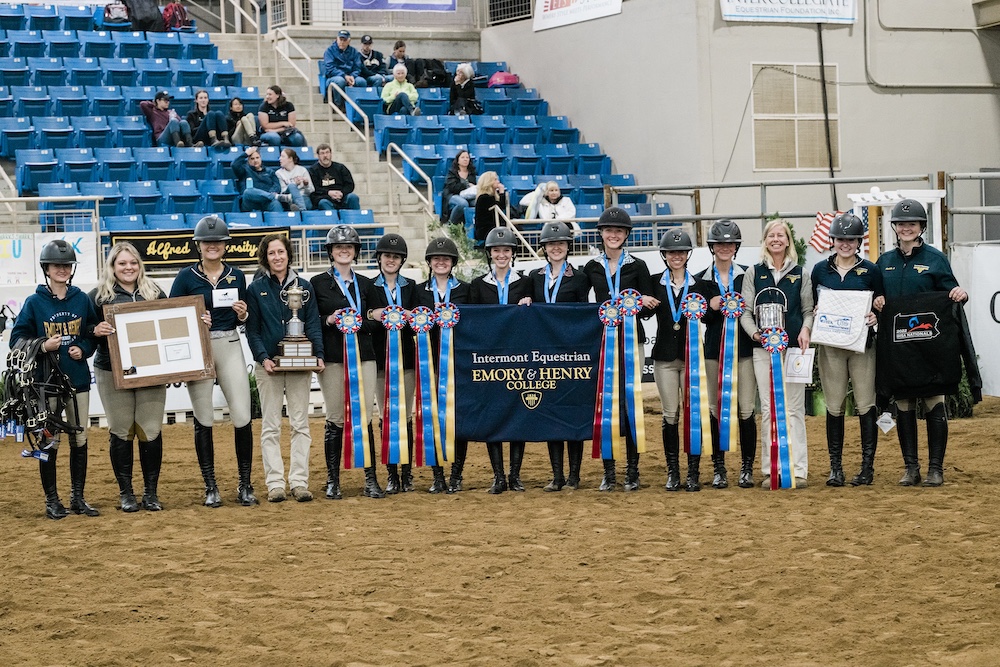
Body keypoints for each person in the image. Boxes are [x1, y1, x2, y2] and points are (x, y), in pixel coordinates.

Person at [873, 199, 969, 487]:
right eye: (901, 224)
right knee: (903, 403)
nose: (906, 228)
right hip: (899, 348)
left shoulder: (936, 258)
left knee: (933, 401)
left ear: (921, 227)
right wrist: (876, 301)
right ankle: (911, 468)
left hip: (930, 348)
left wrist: (959, 294)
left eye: (911, 223)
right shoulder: (884, 262)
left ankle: (936, 468)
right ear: (895, 228)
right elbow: (875, 298)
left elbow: (951, 291)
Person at [169, 215, 257, 508]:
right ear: (199, 245)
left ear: (224, 245)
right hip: (200, 348)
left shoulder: (237, 275)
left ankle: (245, 484)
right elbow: (173, 317)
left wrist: (243, 314)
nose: (212, 246)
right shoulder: (185, 277)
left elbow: (242, 316)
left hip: (229, 342)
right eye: (207, 242)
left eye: (217, 241)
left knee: (242, 414)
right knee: (204, 416)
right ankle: (211, 486)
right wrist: (193, 321)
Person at [11, 240, 100, 520]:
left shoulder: (82, 299)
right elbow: (16, 340)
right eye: (57, 265)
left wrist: (83, 348)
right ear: (46, 268)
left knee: (80, 438)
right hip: (44, 383)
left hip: (77, 380)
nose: (62, 269)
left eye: (66, 265)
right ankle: (52, 500)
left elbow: (91, 333)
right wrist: (42, 345)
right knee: (49, 441)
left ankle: (78, 497)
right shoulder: (34, 303)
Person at [583, 207, 660, 491]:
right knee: (607, 406)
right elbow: (579, 302)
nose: (613, 235)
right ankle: (609, 471)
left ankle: (633, 470)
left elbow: (648, 310)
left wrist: (644, 302)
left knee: (630, 403)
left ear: (626, 235)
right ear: (601, 234)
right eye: (608, 230)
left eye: (618, 231)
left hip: (632, 342)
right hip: (604, 342)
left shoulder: (637, 266)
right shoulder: (591, 268)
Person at [246, 234, 325, 503]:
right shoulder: (255, 289)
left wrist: (318, 354)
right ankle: (275, 484)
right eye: (271, 253)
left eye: (281, 252)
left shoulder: (304, 287)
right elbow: (252, 329)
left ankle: (299, 482)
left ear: (289, 254)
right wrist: (263, 357)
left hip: (299, 365)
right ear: (265, 258)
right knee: (270, 425)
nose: (277, 257)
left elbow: (312, 322)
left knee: (300, 424)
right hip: (268, 366)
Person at [90, 242, 168, 513]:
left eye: (133, 262)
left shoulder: (155, 292)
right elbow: (86, 333)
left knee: (150, 430)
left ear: (140, 265)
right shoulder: (98, 297)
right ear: (112, 266)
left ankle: (150, 493)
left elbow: (171, 326)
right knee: (121, 430)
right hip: (112, 372)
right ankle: (126, 493)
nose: (128, 268)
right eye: (122, 263)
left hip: (151, 373)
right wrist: (94, 329)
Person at [810, 213, 884, 487]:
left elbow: (880, 303)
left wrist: (877, 316)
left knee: (866, 403)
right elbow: (812, 304)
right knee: (834, 404)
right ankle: (835, 467)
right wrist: (816, 312)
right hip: (831, 346)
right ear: (833, 240)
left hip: (862, 346)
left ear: (858, 241)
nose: (845, 244)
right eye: (841, 239)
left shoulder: (871, 271)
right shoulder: (819, 270)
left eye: (850, 239)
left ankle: (867, 466)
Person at [739, 218, 814, 489]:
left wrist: (806, 329)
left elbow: (807, 310)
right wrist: (754, 334)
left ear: (788, 241)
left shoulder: (801, 274)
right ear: (765, 240)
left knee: (794, 408)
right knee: (769, 408)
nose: (776, 239)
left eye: (781, 235)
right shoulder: (753, 273)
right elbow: (745, 311)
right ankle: (771, 469)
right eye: (771, 235)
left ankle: (799, 469)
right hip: (763, 351)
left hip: (795, 348)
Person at [311, 225, 384, 499]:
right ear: (330, 251)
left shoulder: (367, 285)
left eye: (349, 246)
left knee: (364, 417)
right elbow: (312, 322)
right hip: (332, 359)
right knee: (335, 418)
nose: (344, 250)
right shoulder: (317, 284)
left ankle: (370, 479)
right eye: (339, 246)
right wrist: (330, 320)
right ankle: (332, 480)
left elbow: (378, 321)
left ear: (355, 252)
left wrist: (360, 324)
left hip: (363, 357)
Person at [651, 229, 719, 492]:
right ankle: (672, 472)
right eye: (671, 252)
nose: (676, 256)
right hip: (665, 358)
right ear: (664, 255)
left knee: (693, 415)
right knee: (670, 414)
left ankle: (693, 472)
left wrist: (713, 307)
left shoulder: (700, 285)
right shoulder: (656, 283)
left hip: (692, 358)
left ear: (688, 254)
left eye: (681, 252)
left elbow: (709, 320)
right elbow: (645, 315)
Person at [692, 220, 758, 489]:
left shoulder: (747, 276)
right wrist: (710, 306)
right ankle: (719, 468)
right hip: (713, 351)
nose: (725, 248)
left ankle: (746, 468)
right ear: (712, 247)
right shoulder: (700, 279)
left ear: (736, 247)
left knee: (746, 409)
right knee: (715, 410)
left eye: (729, 244)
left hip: (743, 350)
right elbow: (698, 315)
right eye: (720, 243)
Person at [527, 221, 591, 490]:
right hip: (545, 355)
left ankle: (574, 476)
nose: (556, 248)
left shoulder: (580, 277)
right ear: (544, 247)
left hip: (571, 353)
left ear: (568, 247)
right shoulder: (534, 277)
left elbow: (583, 313)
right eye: (551, 244)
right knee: (552, 413)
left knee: (573, 412)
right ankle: (557, 476)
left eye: (561, 243)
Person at [470, 227, 533, 493]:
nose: (501, 255)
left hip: (518, 357)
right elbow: (473, 321)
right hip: (490, 360)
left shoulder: (525, 282)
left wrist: (531, 303)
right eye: (497, 250)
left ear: (513, 253)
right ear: (490, 254)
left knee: (518, 413)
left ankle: (515, 474)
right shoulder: (478, 285)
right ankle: (498, 476)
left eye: (506, 250)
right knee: (492, 416)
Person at [416, 236, 472, 493]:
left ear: (453, 263)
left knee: (457, 418)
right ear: (429, 262)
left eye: (446, 259)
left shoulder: (466, 290)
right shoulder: (417, 292)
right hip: (428, 363)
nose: (441, 262)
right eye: (436, 258)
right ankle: (437, 475)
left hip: (457, 362)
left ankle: (457, 474)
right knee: (432, 418)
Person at [365, 233, 417, 494]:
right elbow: (363, 316)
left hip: (407, 359)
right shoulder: (369, 288)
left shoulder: (412, 287)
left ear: (402, 260)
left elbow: (422, 317)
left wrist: (412, 316)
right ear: (380, 258)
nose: (391, 260)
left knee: (405, 416)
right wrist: (373, 314)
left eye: (395, 257)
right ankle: (391, 472)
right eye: (387, 256)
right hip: (380, 361)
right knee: (386, 417)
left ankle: (406, 472)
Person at [231, 146, 296, 213]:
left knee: (275, 203)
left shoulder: (270, 171)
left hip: (266, 201)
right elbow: (234, 165)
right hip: (251, 202)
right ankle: (275, 197)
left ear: (261, 158)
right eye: (252, 159)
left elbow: (277, 186)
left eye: (257, 158)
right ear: (248, 160)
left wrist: (269, 193)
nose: (255, 160)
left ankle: (279, 222)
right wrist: (246, 154)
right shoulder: (244, 170)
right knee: (248, 191)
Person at [308, 143, 361, 211]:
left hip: (342, 197)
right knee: (323, 202)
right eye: (322, 153)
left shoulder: (340, 168)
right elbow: (314, 188)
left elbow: (350, 185)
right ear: (318, 156)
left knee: (353, 197)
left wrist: (342, 193)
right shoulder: (313, 170)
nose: (325, 155)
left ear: (331, 154)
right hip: (325, 198)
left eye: (327, 152)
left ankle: (356, 220)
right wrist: (329, 193)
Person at [323, 30, 363, 107]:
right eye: (340, 39)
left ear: (349, 41)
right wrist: (344, 76)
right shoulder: (329, 51)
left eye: (344, 40)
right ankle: (338, 105)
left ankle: (359, 106)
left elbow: (357, 67)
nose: (342, 42)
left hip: (350, 76)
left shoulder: (354, 51)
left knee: (361, 81)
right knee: (340, 81)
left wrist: (352, 76)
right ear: (337, 39)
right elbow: (330, 68)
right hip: (334, 77)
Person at [441, 149, 477, 225]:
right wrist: (466, 185)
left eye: (467, 157)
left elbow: (473, 186)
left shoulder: (472, 172)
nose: (465, 159)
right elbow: (452, 187)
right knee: (463, 204)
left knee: (477, 202)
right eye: (463, 157)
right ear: (458, 160)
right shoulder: (452, 172)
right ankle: (451, 224)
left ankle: (472, 226)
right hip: (452, 194)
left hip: (467, 195)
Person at [473, 171, 507, 245]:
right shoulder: (484, 197)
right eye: (495, 179)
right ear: (488, 182)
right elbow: (499, 208)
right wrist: (501, 193)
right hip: (486, 230)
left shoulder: (493, 196)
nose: (498, 182)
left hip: (494, 226)